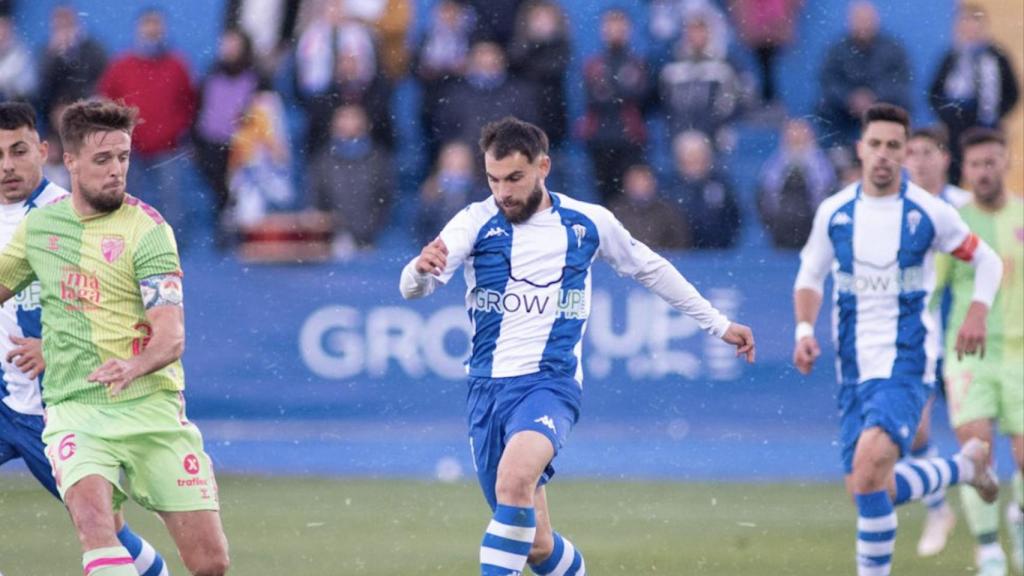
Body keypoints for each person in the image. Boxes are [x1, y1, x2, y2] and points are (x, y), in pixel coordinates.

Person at [400, 117, 755, 576]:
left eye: (514, 178)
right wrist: (419, 270)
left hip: (550, 385)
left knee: (514, 480)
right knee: (537, 545)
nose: (503, 191)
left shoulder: (587, 222)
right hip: (487, 390)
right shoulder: (475, 221)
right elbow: (416, 287)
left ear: (543, 167)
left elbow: (651, 268)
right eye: (493, 179)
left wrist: (718, 324)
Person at [0, 99, 229, 576]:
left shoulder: (148, 230)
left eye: (123, 158)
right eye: (103, 160)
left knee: (210, 564)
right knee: (95, 528)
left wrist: (134, 364)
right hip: (74, 410)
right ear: (72, 161)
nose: (116, 171)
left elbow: (171, 337)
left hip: (151, 408)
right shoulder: (41, 228)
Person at [792, 103, 1003, 576]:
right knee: (869, 489)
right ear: (860, 149)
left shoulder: (929, 213)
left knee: (869, 471)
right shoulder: (835, 212)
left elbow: (986, 260)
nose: (884, 155)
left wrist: (976, 312)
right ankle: (963, 468)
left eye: (894, 146)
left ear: (906, 153)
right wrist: (804, 329)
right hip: (853, 372)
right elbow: (809, 275)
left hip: (907, 366)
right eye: (876, 145)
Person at [936, 127, 1024, 576]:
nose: (984, 172)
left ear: (1005, 162)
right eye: (975, 165)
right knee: (976, 451)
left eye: (991, 162)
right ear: (964, 169)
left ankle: (1020, 520)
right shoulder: (952, 225)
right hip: (969, 355)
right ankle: (988, 550)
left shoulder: (1023, 216)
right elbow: (931, 292)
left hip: (1022, 355)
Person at [902, 125, 972, 557]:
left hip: (970, 336)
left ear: (945, 158)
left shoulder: (967, 207)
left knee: (978, 432)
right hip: (923, 337)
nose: (921, 160)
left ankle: (1004, 515)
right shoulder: (899, 208)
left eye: (928, 151)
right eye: (913, 152)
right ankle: (938, 508)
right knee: (914, 429)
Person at [97, 7, 197, 246]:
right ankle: (127, 248)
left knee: (172, 205)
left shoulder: (177, 66)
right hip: (129, 149)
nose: (152, 31)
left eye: (156, 26)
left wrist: (176, 129)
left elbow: (190, 103)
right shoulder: (121, 66)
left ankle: (171, 251)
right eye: (147, 25)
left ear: (163, 29)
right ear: (138, 29)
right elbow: (104, 100)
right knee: (127, 202)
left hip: (168, 148)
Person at [928, 3, 1019, 185]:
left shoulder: (996, 56)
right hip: (956, 127)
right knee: (954, 175)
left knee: (989, 174)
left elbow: (1012, 92)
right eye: (965, 22)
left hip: (986, 125)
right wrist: (946, 116)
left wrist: (997, 115)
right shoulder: (952, 56)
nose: (969, 28)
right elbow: (934, 92)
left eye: (974, 22)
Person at [817, 1, 910, 147]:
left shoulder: (894, 49)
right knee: (824, 108)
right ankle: (839, 154)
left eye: (867, 19)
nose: (863, 25)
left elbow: (901, 81)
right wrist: (850, 98)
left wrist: (874, 97)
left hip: (884, 110)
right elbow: (828, 81)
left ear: (876, 20)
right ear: (850, 22)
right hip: (845, 113)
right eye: (859, 20)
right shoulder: (837, 50)